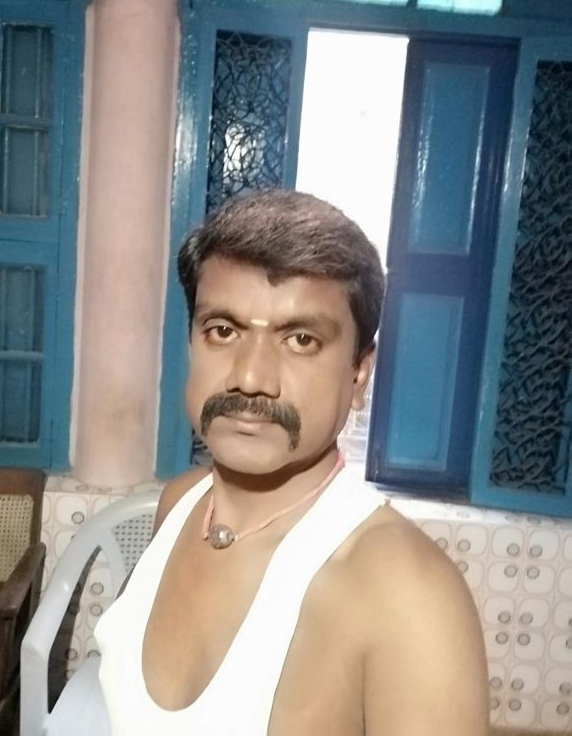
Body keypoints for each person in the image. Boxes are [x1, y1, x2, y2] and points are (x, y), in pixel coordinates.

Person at [95, 189, 488, 735]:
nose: (250, 377)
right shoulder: (180, 506)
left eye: (301, 339)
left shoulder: (405, 594)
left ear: (359, 374)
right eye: (223, 331)